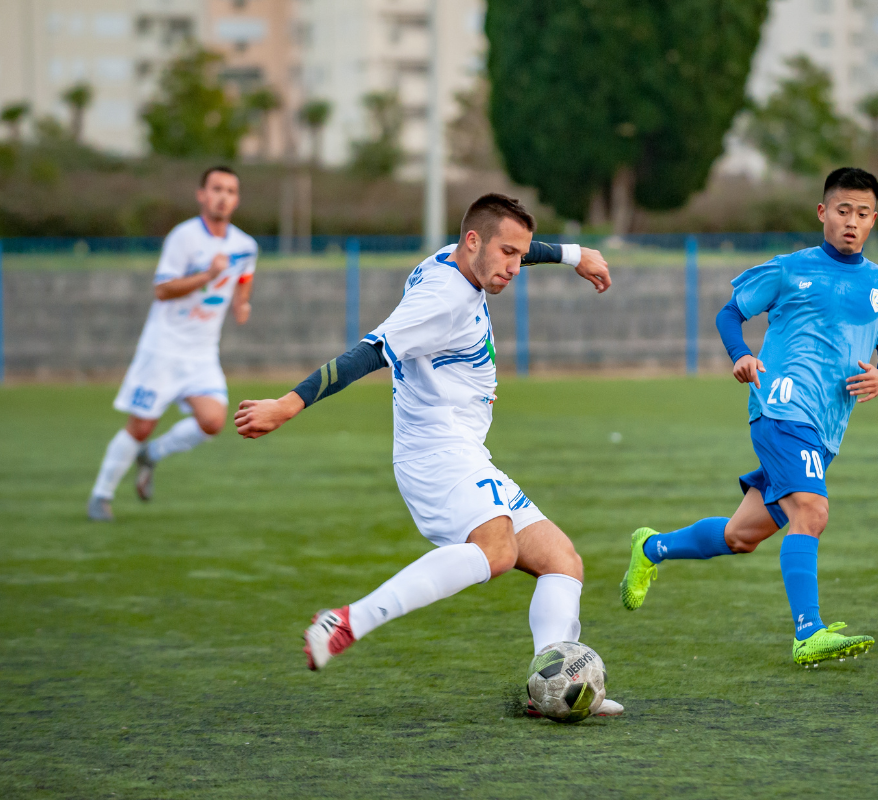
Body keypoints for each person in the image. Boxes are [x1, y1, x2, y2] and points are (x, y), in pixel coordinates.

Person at [233, 194, 624, 715]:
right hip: (436, 452)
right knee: (497, 552)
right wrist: (287, 404)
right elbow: (368, 353)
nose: (514, 267)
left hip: (464, 449)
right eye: (507, 254)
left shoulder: (460, 256)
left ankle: (547, 686)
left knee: (562, 562)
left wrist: (574, 255)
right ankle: (348, 621)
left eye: (519, 255)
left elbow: (513, 245)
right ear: (473, 241)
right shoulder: (443, 298)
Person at [618, 168, 878, 668]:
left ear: (874, 220)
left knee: (741, 536)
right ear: (823, 213)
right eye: (843, 211)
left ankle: (651, 548)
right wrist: (742, 355)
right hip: (780, 407)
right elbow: (730, 312)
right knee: (811, 512)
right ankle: (808, 632)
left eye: (862, 214)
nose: (851, 222)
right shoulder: (790, 269)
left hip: (825, 428)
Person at [87, 166, 256, 522]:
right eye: (216, 189)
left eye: (230, 191)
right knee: (141, 425)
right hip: (163, 349)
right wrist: (208, 275)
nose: (223, 197)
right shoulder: (183, 237)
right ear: (202, 195)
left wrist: (242, 303)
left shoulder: (245, 245)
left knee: (213, 421)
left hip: (202, 353)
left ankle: (152, 455)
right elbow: (162, 290)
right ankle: (101, 497)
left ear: (237, 200)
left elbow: (244, 275)